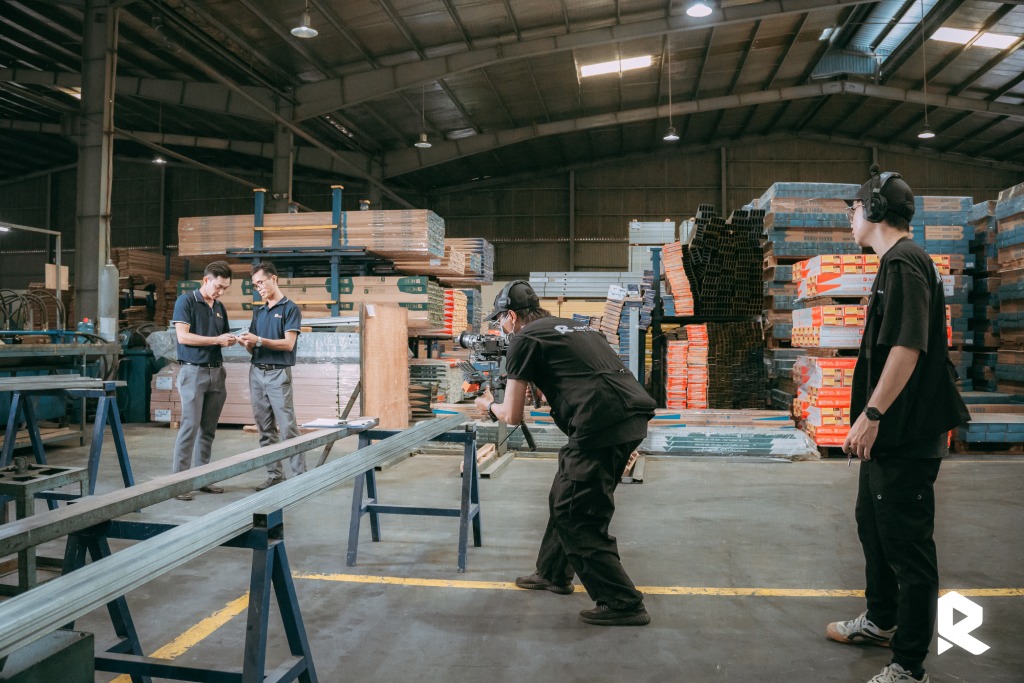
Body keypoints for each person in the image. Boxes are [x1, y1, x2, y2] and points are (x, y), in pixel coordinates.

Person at [826, 167, 970, 683]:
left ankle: (909, 665)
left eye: (854, 208)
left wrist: (872, 415)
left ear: (876, 210)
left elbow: (908, 347)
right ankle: (881, 620)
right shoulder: (896, 263)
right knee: (873, 526)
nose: (850, 217)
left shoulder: (904, 262)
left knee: (909, 548)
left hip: (905, 432)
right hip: (891, 434)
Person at [474, 281, 657, 626]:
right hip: (626, 415)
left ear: (512, 316)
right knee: (565, 494)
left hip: (600, 425)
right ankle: (553, 573)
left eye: (500, 320)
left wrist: (487, 405)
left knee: (577, 513)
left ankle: (623, 602)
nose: (500, 327)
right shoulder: (571, 328)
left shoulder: (524, 340)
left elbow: (512, 415)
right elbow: (577, 374)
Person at [170, 260, 236, 501]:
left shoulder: (219, 307)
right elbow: (183, 337)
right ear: (206, 280)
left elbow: (221, 335)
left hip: (216, 373)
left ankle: (203, 478)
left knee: (208, 430)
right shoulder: (186, 301)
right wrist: (217, 340)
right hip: (193, 372)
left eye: (225, 288)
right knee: (190, 427)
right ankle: (179, 484)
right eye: (218, 286)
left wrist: (232, 340)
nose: (221, 292)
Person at [238, 260, 306, 490]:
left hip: (278, 374)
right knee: (264, 429)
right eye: (255, 285)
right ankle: (275, 474)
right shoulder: (259, 312)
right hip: (257, 373)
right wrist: (247, 343)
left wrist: (258, 340)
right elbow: (254, 348)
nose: (259, 288)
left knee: (287, 428)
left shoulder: (290, 308)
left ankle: (300, 477)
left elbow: (288, 344)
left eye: (261, 282)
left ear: (273, 278)